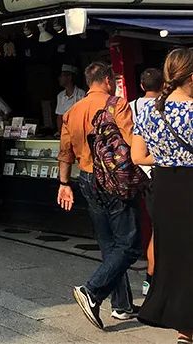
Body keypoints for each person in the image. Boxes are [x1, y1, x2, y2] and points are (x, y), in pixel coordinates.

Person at [58, 61, 140, 329]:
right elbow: (131, 141)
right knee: (128, 244)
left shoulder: (72, 112)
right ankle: (92, 291)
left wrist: (63, 183)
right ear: (107, 80)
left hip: (86, 178)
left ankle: (122, 305)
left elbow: (65, 151)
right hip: (114, 179)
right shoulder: (118, 105)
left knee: (108, 244)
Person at [131, 49, 193, 342]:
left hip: (164, 187)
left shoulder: (148, 110)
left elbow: (137, 155)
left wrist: (167, 158)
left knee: (176, 256)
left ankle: (183, 326)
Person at [131, 67, 163, 297]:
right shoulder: (168, 106)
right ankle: (154, 278)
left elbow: (134, 150)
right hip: (162, 171)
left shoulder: (131, 106)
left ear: (142, 86)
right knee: (161, 230)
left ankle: (150, 280)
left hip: (138, 173)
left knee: (154, 229)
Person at [55, 65, 86, 132]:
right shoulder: (60, 96)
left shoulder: (81, 94)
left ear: (69, 77)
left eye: (62, 76)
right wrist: (60, 131)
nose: (59, 78)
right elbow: (59, 116)